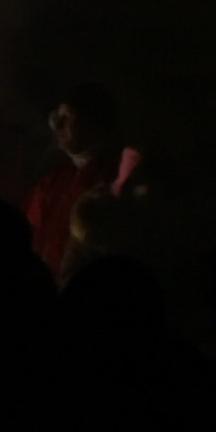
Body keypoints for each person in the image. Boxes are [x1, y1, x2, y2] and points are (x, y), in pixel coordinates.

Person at [24, 81, 129, 282]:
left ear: (93, 124)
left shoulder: (117, 177)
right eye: (58, 118)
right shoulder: (56, 177)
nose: (58, 126)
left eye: (67, 118)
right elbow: (29, 229)